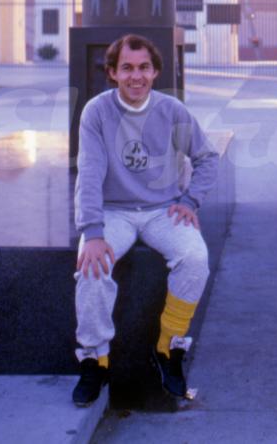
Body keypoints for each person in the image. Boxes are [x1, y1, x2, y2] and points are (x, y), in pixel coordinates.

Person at [72, 34, 218, 406]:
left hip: (162, 209)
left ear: (155, 72)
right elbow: (88, 173)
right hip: (113, 210)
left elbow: (206, 158)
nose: (135, 76)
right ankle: (95, 359)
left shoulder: (172, 111)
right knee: (92, 266)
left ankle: (169, 347)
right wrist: (92, 231)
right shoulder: (96, 112)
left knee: (195, 257)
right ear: (112, 73)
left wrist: (190, 200)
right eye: (126, 68)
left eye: (143, 68)